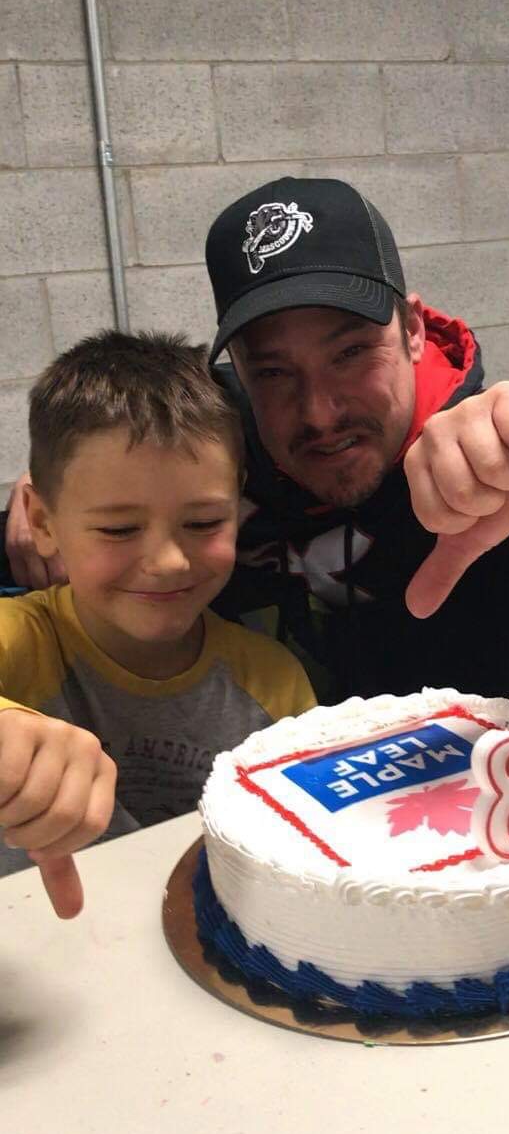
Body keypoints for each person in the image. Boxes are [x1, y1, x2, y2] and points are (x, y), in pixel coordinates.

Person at [5, 178, 509, 709]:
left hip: (446, 813)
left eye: (351, 353)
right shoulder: (201, 448)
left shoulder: (507, 462)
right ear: (237, 371)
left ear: (416, 330)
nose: (319, 411)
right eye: (273, 371)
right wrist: (58, 508)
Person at [0, 331, 315, 917]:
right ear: (42, 521)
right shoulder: (21, 640)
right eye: (119, 530)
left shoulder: (273, 683)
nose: (169, 561)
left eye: (203, 522)